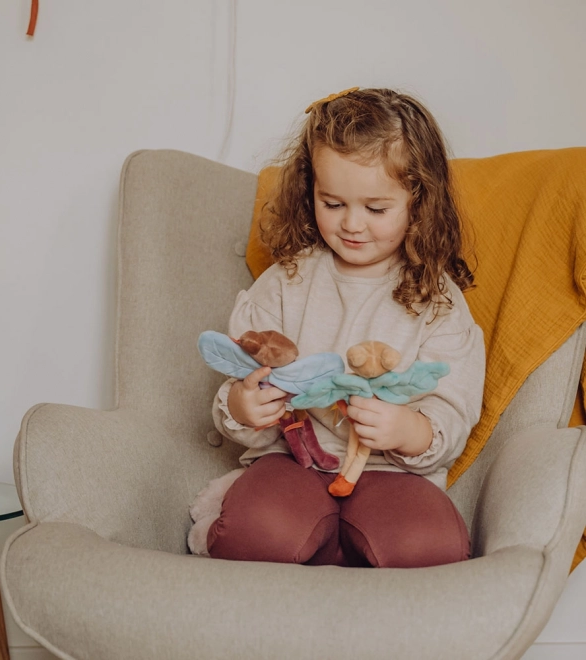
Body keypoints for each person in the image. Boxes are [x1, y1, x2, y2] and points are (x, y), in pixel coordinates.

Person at [206, 87, 485, 568]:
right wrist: (242, 406)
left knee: (430, 547)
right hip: (291, 460)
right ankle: (325, 545)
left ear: (418, 201)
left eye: (376, 209)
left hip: (390, 472)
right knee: (255, 533)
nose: (353, 225)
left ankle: (340, 547)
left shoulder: (436, 300)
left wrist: (407, 430)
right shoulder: (287, 280)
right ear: (310, 189)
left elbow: (452, 412)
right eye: (332, 203)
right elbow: (241, 378)